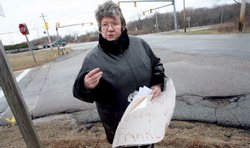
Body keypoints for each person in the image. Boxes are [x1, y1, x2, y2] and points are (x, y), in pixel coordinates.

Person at [73, 1, 166, 147]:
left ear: (123, 26)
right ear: (99, 29)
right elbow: (79, 92)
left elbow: (156, 65)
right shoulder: (92, 59)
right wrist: (85, 85)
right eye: (104, 24)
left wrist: (157, 83)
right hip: (119, 126)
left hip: (146, 116)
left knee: (149, 144)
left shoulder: (140, 44)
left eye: (114, 23)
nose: (109, 29)